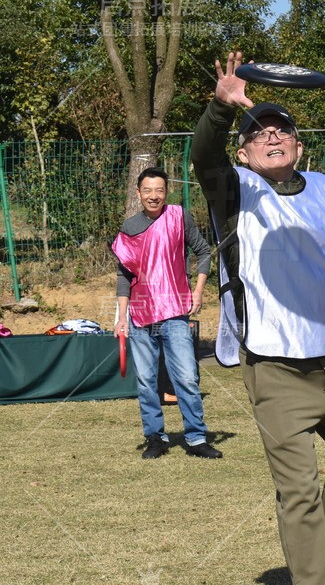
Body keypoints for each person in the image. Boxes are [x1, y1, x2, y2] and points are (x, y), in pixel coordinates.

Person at [192, 52, 325, 585]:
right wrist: (220, 106)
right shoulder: (232, 189)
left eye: (283, 128)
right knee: (298, 489)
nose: (273, 134)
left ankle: (317, 551)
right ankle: (312, 575)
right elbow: (202, 152)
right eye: (260, 130)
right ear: (245, 151)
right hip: (275, 365)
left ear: (299, 146)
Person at [110, 167, 221, 460]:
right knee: (146, 381)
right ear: (138, 193)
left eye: (159, 190)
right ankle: (155, 438)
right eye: (147, 190)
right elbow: (124, 277)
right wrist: (120, 318)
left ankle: (196, 438)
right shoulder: (129, 227)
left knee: (186, 376)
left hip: (174, 312)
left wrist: (197, 291)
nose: (153, 196)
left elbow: (204, 252)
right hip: (140, 313)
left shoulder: (178, 217)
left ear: (166, 191)